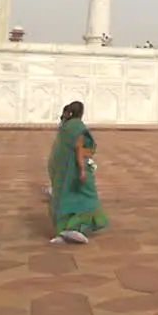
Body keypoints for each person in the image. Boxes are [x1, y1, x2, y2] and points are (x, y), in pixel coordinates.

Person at [47, 101, 107, 244]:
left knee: (65, 198)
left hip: (62, 171)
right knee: (88, 200)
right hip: (75, 169)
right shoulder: (78, 127)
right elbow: (79, 150)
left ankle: (63, 232)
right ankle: (74, 228)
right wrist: (82, 170)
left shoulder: (65, 127)